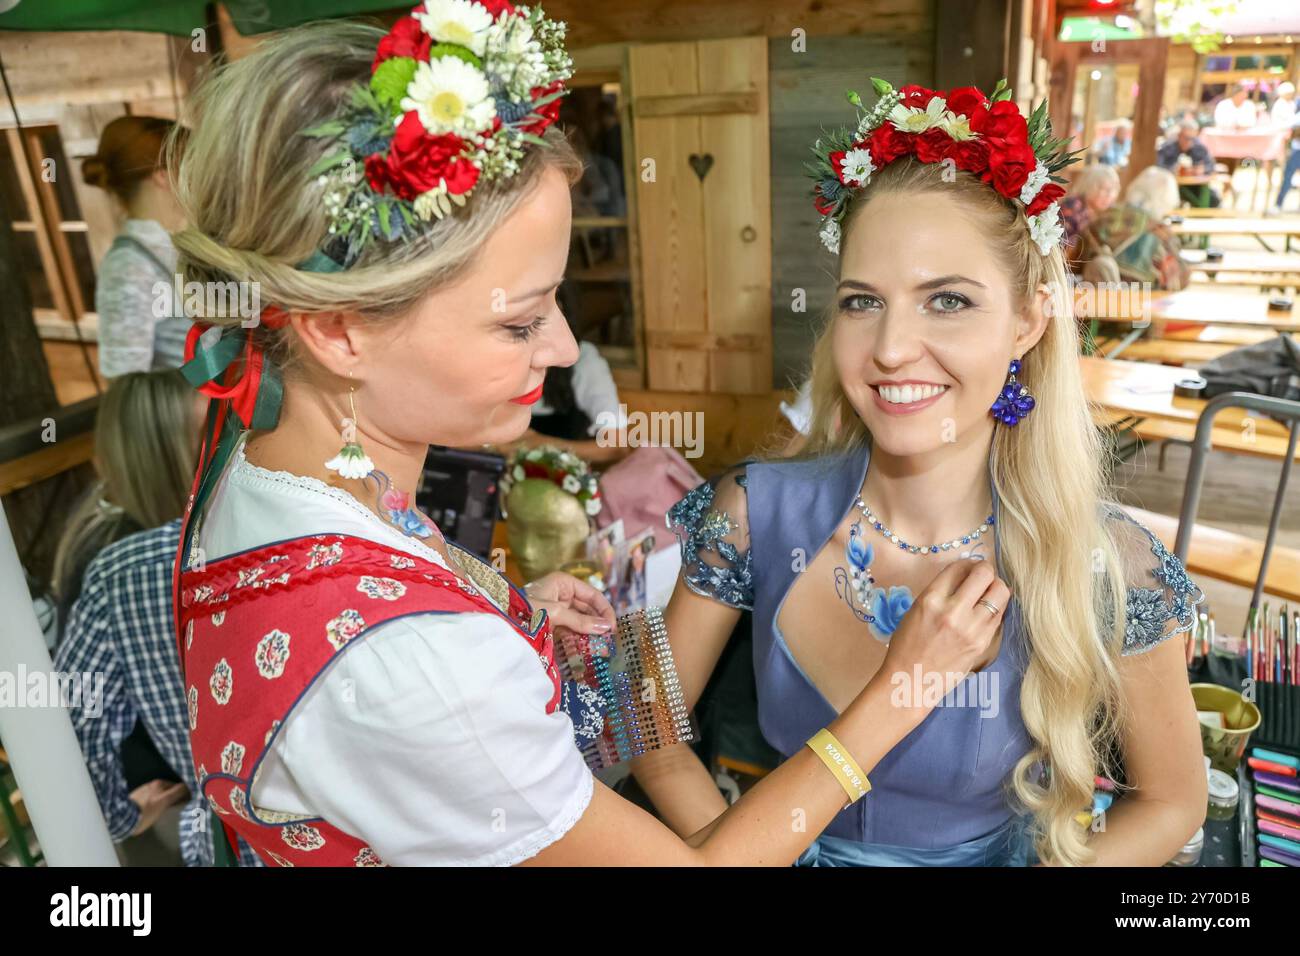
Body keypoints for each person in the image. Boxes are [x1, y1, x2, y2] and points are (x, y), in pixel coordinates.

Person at [168, 14, 1004, 867]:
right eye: (521, 321)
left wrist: (511, 624)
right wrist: (901, 693)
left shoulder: (259, 472)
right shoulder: (417, 663)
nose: (565, 348)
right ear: (340, 332)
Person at [631, 77, 1209, 867]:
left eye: (947, 301)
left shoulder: (1107, 560)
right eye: (863, 301)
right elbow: (652, 738)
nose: (892, 346)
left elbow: (1175, 800)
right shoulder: (753, 512)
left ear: (1030, 320)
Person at [52, 371, 260, 865]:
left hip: (208, 819)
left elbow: (74, 717)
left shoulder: (109, 555)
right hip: (181, 799)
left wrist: (120, 813)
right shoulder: (119, 560)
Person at [82, 116, 191, 377]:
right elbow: (125, 382)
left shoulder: (179, 244)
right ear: (164, 177)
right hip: (187, 415)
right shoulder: (128, 267)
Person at [1080, 166, 1191, 292]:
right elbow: (1181, 278)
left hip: (1097, 298)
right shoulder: (1161, 232)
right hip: (1143, 302)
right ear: (1165, 201)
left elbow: (1081, 259)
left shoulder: (1103, 218)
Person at [1058, 164, 1119, 267]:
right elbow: (1060, 246)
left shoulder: (1095, 212)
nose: (1109, 196)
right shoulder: (1074, 207)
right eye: (1105, 190)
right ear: (1090, 187)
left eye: (1112, 191)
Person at [1156, 119, 1220, 207]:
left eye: (1192, 138)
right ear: (1179, 135)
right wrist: (1174, 169)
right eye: (1186, 138)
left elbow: (1211, 165)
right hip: (1170, 186)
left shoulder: (1199, 147)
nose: (1189, 141)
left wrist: (1202, 169)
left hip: (1193, 186)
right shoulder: (1167, 148)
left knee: (1213, 200)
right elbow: (1158, 166)